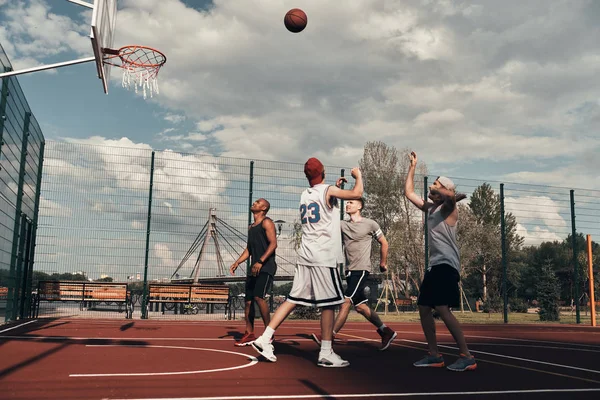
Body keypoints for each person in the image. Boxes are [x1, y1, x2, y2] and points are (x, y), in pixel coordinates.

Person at [251, 157, 363, 368]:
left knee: (293, 298)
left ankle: (265, 338)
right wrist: (358, 176)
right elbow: (357, 194)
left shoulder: (305, 194)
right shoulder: (327, 190)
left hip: (306, 255)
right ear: (324, 172)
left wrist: (335, 190)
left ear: (307, 176)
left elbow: (325, 203)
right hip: (323, 255)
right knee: (329, 303)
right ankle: (326, 352)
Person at [404, 151, 476, 372]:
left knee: (442, 309)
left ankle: (467, 356)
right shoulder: (430, 207)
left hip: (447, 265)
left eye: (436, 183)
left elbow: (450, 198)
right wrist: (413, 166)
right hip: (435, 265)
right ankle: (434, 355)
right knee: (424, 307)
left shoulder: (449, 209)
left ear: (445, 189)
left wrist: (442, 191)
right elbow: (408, 192)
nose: (432, 186)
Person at [311, 197, 397, 351]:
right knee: (361, 307)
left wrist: (383, 262)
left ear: (360, 206)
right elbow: (329, 216)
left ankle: (329, 337)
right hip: (349, 271)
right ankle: (386, 331)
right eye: (347, 202)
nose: (348, 204)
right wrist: (331, 198)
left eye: (351, 202)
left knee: (346, 301)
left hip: (362, 269)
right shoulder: (342, 225)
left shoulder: (370, 224)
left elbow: (384, 242)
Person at [230, 198, 277, 347]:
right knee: (248, 302)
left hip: (266, 266)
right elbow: (249, 249)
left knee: (259, 297)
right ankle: (249, 333)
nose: (254, 203)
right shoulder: (251, 227)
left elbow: (274, 243)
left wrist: (261, 261)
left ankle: (269, 334)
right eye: (254, 202)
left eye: (258, 202)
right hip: (254, 268)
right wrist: (238, 262)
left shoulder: (267, 222)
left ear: (263, 208)